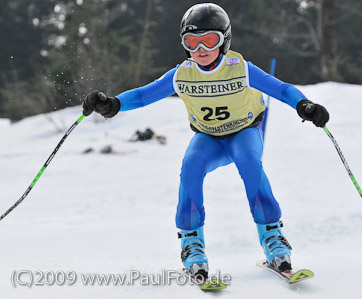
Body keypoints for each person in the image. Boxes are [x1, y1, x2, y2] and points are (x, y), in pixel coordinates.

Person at [82, 3, 329, 279]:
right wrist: (113, 104)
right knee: (191, 165)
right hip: (209, 139)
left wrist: (304, 105)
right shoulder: (182, 74)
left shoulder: (241, 68)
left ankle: (272, 236)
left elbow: (281, 89)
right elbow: (142, 95)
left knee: (249, 162)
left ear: (225, 40)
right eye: (192, 42)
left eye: (209, 40)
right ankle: (191, 243)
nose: (200, 49)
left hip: (244, 133)